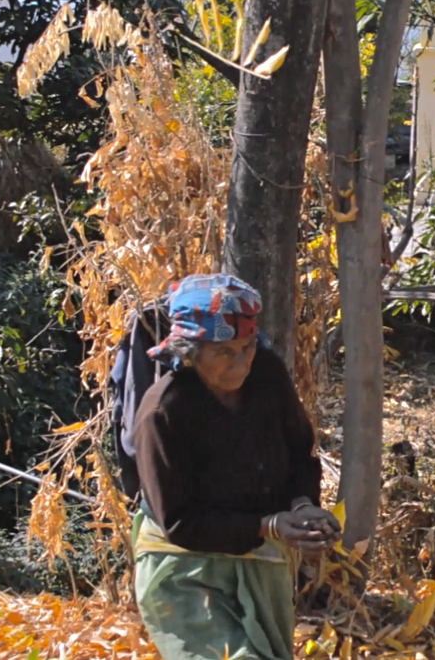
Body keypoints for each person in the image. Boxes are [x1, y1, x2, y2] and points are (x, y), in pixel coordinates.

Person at [131, 274, 341, 660]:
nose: (241, 362)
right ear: (190, 351)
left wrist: (302, 506)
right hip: (183, 568)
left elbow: (298, 451)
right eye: (224, 352)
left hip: (260, 558)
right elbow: (180, 522)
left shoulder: (267, 375)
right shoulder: (163, 414)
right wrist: (267, 525)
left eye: (246, 347)